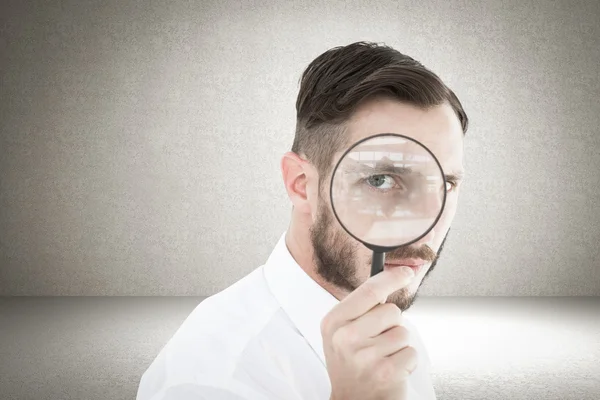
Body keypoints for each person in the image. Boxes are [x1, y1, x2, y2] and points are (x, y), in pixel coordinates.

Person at [136, 41, 468, 400]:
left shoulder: (393, 336)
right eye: (380, 180)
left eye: (444, 184)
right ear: (301, 185)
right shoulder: (208, 381)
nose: (425, 225)